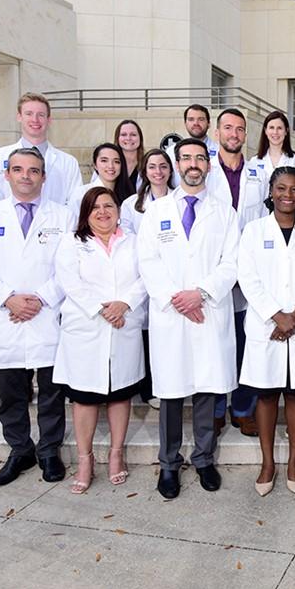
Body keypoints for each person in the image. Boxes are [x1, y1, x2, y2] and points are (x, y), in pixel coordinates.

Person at [136, 138, 240, 499]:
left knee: (208, 391)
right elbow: (147, 262)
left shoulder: (225, 213)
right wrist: (177, 299)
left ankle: (203, 458)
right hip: (173, 316)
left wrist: (202, 293)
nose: (193, 164)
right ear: (176, 165)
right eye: (186, 158)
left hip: (208, 310)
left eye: (199, 158)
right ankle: (168, 463)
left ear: (208, 165)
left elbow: (232, 262)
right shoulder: (156, 211)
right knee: (170, 393)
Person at [0, 147, 72, 486]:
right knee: (10, 394)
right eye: (19, 170)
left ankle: (49, 451)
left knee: (52, 394)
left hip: (45, 315)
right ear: (7, 174)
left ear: (44, 177)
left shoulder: (62, 216)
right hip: (5, 318)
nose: (26, 176)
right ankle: (20, 449)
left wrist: (40, 299)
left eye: (34, 170)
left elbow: (70, 266)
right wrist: (8, 299)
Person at [239, 167, 295, 496]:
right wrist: (276, 316)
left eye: (294, 190)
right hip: (268, 327)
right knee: (266, 395)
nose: (288, 195)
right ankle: (268, 463)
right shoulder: (253, 231)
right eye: (281, 188)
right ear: (271, 191)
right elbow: (247, 278)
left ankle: (293, 460)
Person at [53, 187, 147, 493]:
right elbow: (70, 281)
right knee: (85, 397)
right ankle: (85, 459)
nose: (103, 212)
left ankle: (116, 454)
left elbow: (146, 276)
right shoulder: (72, 242)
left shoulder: (133, 242)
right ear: (86, 213)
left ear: (119, 211)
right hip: (86, 326)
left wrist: (124, 304)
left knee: (120, 394)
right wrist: (102, 308)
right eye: (96, 207)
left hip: (124, 322)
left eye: (109, 206)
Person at [205, 108, 268, 436]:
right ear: (218, 133)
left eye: (239, 129)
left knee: (247, 342)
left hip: (249, 270)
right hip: (214, 267)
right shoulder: (206, 171)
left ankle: (243, 408)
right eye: (227, 128)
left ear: (245, 135)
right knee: (216, 340)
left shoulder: (258, 172)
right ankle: (216, 407)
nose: (233, 134)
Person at [121, 149, 176, 409]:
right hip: (142, 274)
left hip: (174, 276)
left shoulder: (180, 200)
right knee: (145, 333)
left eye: (163, 166)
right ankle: (148, 388)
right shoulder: (131, 204)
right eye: (152, 167)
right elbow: (128, 241)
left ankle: (170, 383)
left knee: (168, 334)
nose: (158, 172)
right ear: (145, 171)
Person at [0, 92, 82, 206]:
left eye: (41, 115)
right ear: (19, 117)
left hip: (56, 223)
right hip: (8, 223)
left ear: (49, 119)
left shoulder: (68, 162)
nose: (35, 120)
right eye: (29, 114)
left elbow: (74, 205)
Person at [68, 143, 134, 219]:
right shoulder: (81, 193)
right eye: (104, 161)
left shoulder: (129, 195)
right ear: (95, 165)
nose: (110, 166)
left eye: (116, 161)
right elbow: (73, 225)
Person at [114, 119, 145, 190]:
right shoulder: (108, 164)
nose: (128, 138)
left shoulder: (147, 164)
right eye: (123, 134)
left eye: (133, 135)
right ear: (117, 138)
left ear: (140, 139)